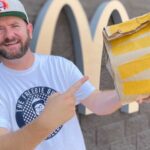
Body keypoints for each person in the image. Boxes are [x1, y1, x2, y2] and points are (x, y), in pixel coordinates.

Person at [0, 0, 147, 150]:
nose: (9, 35)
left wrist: (130, 92)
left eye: (14, 26)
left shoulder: (60, 66)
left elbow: (96, 102)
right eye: (0, 29)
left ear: (29, 30)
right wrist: (45, 122)